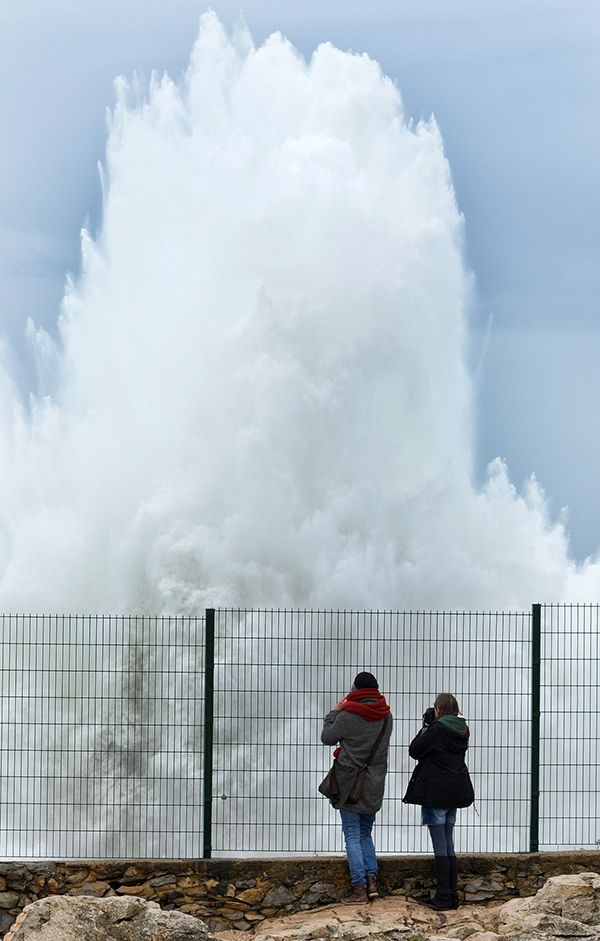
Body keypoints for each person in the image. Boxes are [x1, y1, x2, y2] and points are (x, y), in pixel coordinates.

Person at [321, 672, 393, 904]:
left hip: (349, 784)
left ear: (355, 690)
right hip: (373, 783)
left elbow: (327, 737)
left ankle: (359, 889)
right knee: (365, 834)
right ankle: (372, 883)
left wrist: (334, 712)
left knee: (351, 835)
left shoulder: (347, 715)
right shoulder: (386, 715)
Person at [403, 692, 474, 911]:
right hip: (455, 792)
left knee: (440, 846)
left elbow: (415, 751)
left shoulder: (436, 730)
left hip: (436, 793)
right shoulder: (463, 729)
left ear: (439, 710)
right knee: (449, 843)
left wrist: (425, 726)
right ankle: (452, 896)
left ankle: (443, 897)